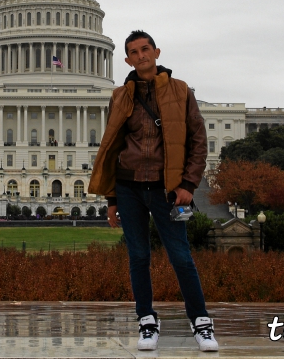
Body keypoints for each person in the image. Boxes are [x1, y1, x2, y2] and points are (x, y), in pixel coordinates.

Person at [88, 30, 217, 352]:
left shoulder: (180, 91)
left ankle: (201, 321)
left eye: (146, 49)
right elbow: (113, 145)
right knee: (138, 257)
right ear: (128, 59)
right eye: (134, 52)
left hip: (168, 189)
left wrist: (188, 185)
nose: (141, 55)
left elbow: (198, 141)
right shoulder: (119, 96)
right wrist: (112, 199)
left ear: (156, 52)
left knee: (181, 256)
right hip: (128, 186)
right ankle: (146, 320)